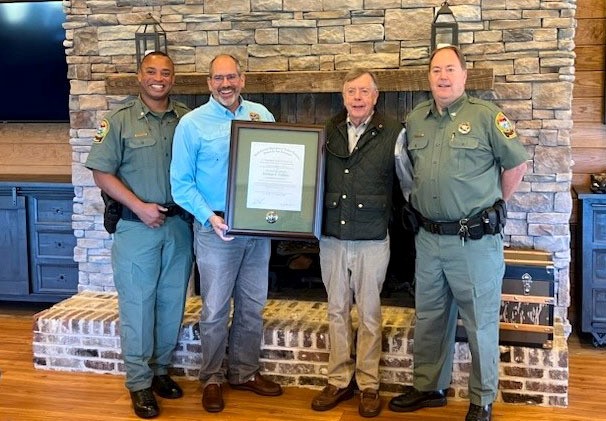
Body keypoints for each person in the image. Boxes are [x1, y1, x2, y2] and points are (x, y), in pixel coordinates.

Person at [388, 45, 528, 421]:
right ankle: (428, 387)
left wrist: (493, 204)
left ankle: (481, 400)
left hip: (474, 241)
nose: (443, 76)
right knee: (430, 316)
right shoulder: (416, 118)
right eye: (436, 70)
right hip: (429, 239)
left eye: (450, 69)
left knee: (480, 322)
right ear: (429, 77)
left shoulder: (486, 117)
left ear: (464, 76)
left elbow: (516, 164)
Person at [170, 54, 283, 414]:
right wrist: (209, 218)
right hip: (215, 228)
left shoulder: (261, 116)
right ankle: (213, 377)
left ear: (242, 79)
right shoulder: (191, 124)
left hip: (256, 228)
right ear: (209, 83)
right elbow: (180, 185)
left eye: (231, 77)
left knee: (252, 305)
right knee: (216, 308)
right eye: (218, 78)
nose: (225, 84)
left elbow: (277, 170)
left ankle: (245, 372)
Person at [85, 51, 194, 419]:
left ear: (173, 78)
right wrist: (140, 206)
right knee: (138, 306)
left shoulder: (186, 120)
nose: (158, 78)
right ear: (139, 76)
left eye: (166, 72)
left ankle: (161, 371)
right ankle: (139, 382)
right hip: (137, 227)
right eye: (151, 71)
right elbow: (102, 172)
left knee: (171, 302)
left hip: (178, 226)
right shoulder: (119, 120)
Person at [310, 68, 405, 418]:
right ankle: (338, 379)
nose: (358, 98)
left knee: (368, 314)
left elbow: (407, 182)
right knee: (336, 310)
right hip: (332, 236)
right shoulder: (327, 131)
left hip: (372, 238)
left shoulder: (394, 132)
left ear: (375, 96)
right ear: (343, 96)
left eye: (364, 91)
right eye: (351, 91)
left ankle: (368, 384)